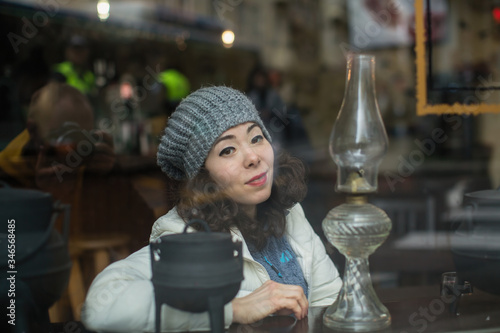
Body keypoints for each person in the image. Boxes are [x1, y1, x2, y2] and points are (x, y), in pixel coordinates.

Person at [81, 86, 342, 332]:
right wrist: (231, 309)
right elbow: (100, 307)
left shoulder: (288, 211)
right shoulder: (186, 236)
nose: (253, 157)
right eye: (227, 150)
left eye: (256, 137)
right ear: (202, 177)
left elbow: (330, 301)